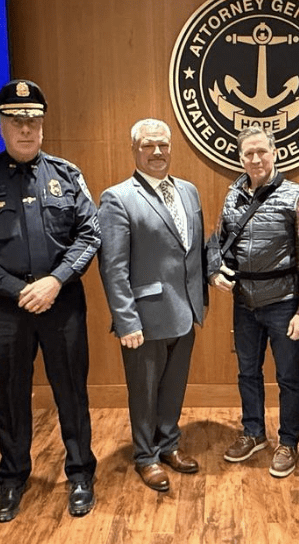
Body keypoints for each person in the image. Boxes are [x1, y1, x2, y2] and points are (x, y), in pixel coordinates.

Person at [0, 79, 100, 521]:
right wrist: (16, 289)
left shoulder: (67, 175)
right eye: (17, 120)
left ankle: (80, 473)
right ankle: (13, 477)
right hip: (6, 308)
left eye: (33, 120)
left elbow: (89, 234)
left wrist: (55, 281)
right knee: (11, 395)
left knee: (71, 392)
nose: (26, 128)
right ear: (1, 124)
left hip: (62, 302)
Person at [97, 118, 207, 492]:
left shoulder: (189, 192)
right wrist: (126, 321)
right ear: (135, 150)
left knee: (173, 387)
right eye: (148, 145)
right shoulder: (118, 197)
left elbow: (195, 250)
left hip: (186, 310)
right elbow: (113, 267)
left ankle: (169, 445)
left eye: (162, 144)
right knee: (144, 391)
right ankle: (146, 456)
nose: (157, 152)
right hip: (144, 316)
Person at [207, 126, 299, 478]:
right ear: (240, 158)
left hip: (284, 302)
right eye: (248, 153)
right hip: (245, 303)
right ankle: (253, 432)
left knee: (288, 377)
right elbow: (216, 241)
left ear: (275, 153)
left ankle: (288, 442)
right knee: (247, 373)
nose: (255, 159)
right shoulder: (233, 195)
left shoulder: (296, 197)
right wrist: (213, 271)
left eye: (261, 152)